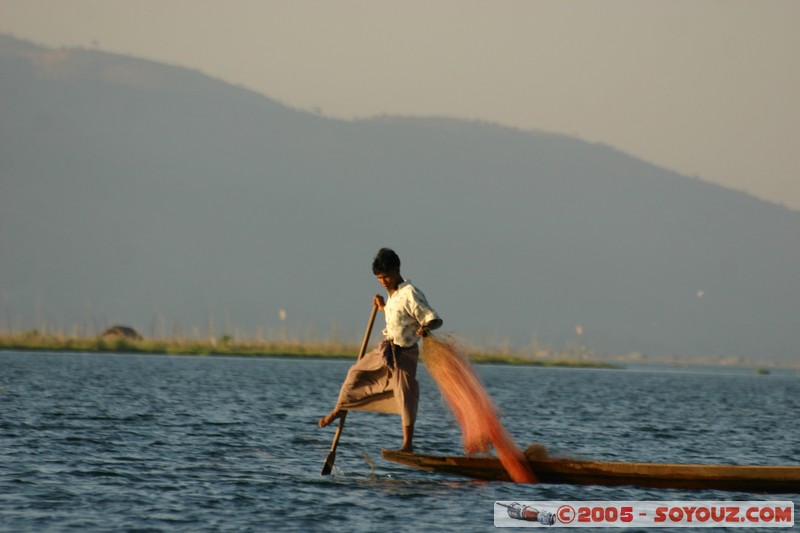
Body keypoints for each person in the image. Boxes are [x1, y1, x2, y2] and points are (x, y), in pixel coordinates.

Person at [318, 248, 442, 452]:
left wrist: (425, 328)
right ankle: (338, 410)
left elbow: (434, 318)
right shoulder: (392, 294)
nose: (383, 281)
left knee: (405, 394)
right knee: (355, 374)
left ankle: (407, 444)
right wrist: (383, 307)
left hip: (404, 353)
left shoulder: (410, 293)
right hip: (385, 350)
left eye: (386, 276)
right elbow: (398, 319)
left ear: (397, 270)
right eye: (379, 278)